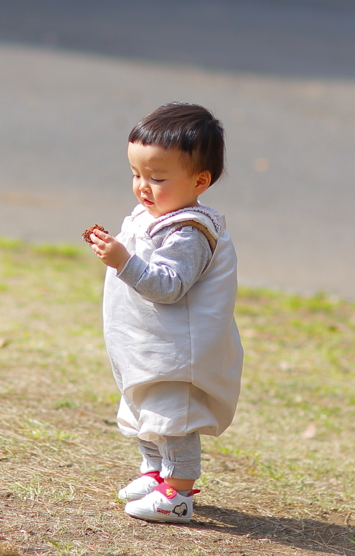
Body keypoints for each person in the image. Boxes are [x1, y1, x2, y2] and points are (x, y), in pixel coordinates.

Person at [86, 102, 243, 524]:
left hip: (179, 354)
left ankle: (177, 492)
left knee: (173, 419)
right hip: (146, 343)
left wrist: (123, 260)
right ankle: (154, 472)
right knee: (142, 412)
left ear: (199, 180)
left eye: (157, 178)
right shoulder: (154, 214)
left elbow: (169, 286)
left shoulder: (190, 231)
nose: (142, 186)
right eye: (136, 174)